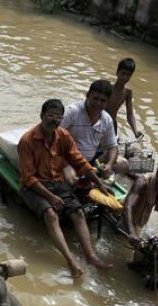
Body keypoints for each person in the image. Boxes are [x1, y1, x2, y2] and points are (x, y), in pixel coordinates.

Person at [18, 99, 114, 279]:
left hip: (56, 182)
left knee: (78, 212)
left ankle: (91, 256)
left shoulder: (63, 135)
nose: (53, 120)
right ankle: (71, 261)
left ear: (62, 119)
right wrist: (50, 197)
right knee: (51, 214)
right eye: (50, 116)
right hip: (33, 186)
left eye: (57, 117)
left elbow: (79, 161)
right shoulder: (27, 140)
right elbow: (28, 178)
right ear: (41, 116)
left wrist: (99, 182)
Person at [60, 79, 129, 181]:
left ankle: (100, 179)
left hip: (90, 159)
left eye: (102, 101)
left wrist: (109, 165)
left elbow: (113, 147)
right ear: (88, 95)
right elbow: (52, 138)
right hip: (68, 159)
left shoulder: (106, 119)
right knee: (70, 179)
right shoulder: (72, 112)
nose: (98, 103)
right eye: (95, 98)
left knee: (123, 164)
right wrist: (65, 165)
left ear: (107, 102)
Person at [107, 58, 142, 139]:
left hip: (112, 123)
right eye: (123, 73)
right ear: (117, 72)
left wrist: (135, 131)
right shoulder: (108, 88)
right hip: (100, 122)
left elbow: (130, 114)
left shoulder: (128, 92)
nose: (125, 77)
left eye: (129, 75)